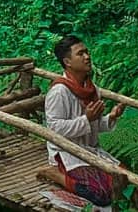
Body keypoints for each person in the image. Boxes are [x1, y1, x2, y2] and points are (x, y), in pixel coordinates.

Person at [40, 35, 127, 209]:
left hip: (90, 150)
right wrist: (86, 119)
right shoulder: (59, 92)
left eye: (86, 52)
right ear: (67, 62)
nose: (87, 57)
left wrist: (111, 117)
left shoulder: (92, 89)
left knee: (126, 182)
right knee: (101, 195)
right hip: (68, 153)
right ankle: (55, 174)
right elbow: (54, 129)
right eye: (80, 54)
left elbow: (94, 125)